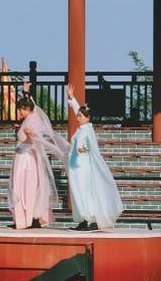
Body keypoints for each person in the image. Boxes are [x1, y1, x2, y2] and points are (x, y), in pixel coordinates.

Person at [64, 91, 123, 231]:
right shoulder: (81, 129)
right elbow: (79, 110)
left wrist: (83, 150)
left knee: (84, 191)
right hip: (74, 166)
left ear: (88, 118)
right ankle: (82, 220)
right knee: (77, 192)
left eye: (80, 116)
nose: (77, 118)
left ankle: (90, 219)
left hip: (82, 166)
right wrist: (73, 98)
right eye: (77, 115)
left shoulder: (88, 130)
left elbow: (92, 148)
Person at [9, 93, 68, 230]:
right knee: (20, 188)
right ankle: (22, 219)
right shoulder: (30, 118)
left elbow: (35, 138)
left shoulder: (32, 120)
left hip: (27, 159)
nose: (19, 112)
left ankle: (28, 219)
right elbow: (34, 108)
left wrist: (31, 136)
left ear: (26, 108)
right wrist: (26, 93)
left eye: (21, 109)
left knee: (26, 189)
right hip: (22, 157)